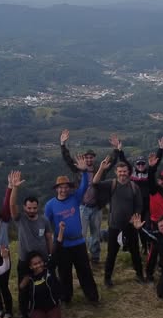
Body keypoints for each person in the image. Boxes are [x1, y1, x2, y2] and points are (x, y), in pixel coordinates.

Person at [40, 167, 101, 304]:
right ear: (57, 189)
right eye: (61, 187)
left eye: (66, 187)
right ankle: (66, 297)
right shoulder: (50, 205)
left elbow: (84, 186)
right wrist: (47, 243)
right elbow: (46, 225)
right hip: (62, 244)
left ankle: (92, 297)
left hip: (78, 242)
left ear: (69, 188)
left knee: (85, 271)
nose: (64, 190)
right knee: (64, 272)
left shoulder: (75, 198)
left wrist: (84, 171)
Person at [7, 170, 57, 318]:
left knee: (46, 285)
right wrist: (15, 188)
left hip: (43, 261)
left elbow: (49, 238)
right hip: (25, 261)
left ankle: (48, 306)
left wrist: (51, 255)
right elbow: (11, 205)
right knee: (24, 287)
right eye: (29, 208)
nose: (32, 210)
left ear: (37, 207)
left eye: (34, 208)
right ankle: (24, 314)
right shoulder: (20, 219)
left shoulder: (44, 220)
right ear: (24, 207)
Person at [93, 156, 145, 287]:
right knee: (111, 253)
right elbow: (95, 183)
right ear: (116, 172)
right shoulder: (112, 184)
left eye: (125, 171)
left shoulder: (134, 187)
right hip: (114, 226)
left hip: (130, 226)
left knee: (135, 252)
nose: (122, 174)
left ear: (128, 172)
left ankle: (139, 275)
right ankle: (107, 279)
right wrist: (101, 169)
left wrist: (136, 217)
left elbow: (139, 205)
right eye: (120, 171)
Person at [59, 129, 103, 264]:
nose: (89, 159)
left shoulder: (99, 170)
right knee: (81, 234)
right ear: (84, 158)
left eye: (91, 157)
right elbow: (67, 160)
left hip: (96, 207)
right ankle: (82, 257)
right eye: (87, 157)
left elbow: (111, 163)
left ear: (94, 158)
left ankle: (95, 257)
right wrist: (62, 144)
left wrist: (117, 150)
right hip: (83, 207)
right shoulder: (78, 169)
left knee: (96, 234)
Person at [19, 250, 65, 318]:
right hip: (37, 308)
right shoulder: (28, 279)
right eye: (35, 264)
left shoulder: (49, 272)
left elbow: (58, 287)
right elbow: (22, 292)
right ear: (30, 266)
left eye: (40, 262)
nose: (39, 265)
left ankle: (55, 317)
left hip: (52, 306)